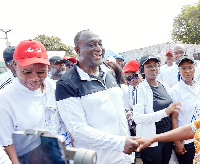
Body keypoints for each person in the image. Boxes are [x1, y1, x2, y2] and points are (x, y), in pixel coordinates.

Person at [56, 29, 139, 164]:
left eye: (100, 43)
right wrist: (119, 143)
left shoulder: (109, 73)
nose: (98, 48)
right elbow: (78, 130)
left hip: (125, 158)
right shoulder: (66, 83)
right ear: (77, 50)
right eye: (91, 45)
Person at [0, 40, 70, 163]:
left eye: (41, 72)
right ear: (15, 65)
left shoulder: (52, 87)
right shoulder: (5, 99)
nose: (35, 78)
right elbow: (7, 144)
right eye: (27, 72)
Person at [132, 54, 182, 164]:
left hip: (167, 137)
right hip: (152, 140)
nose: (153, 68)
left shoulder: (163, 85)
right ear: (142, 70)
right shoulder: (140, 89)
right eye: (149, 66)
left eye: (156, 65)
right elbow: (138, 118)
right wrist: (165, 112)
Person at [169, 56, 199, 164]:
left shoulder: (198, 87)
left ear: (194, 69)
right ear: (179, 71)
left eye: (190, 67)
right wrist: (177, 141)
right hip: (186, 141)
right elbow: (174, 117)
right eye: (183, 68)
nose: (187, 71)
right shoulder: (175, 91)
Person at [123, 60, 143, 136]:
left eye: (135, 75)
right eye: (129, 78)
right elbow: (127, 107)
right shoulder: (129, 89)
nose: (132, 80)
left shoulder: (148, 87)